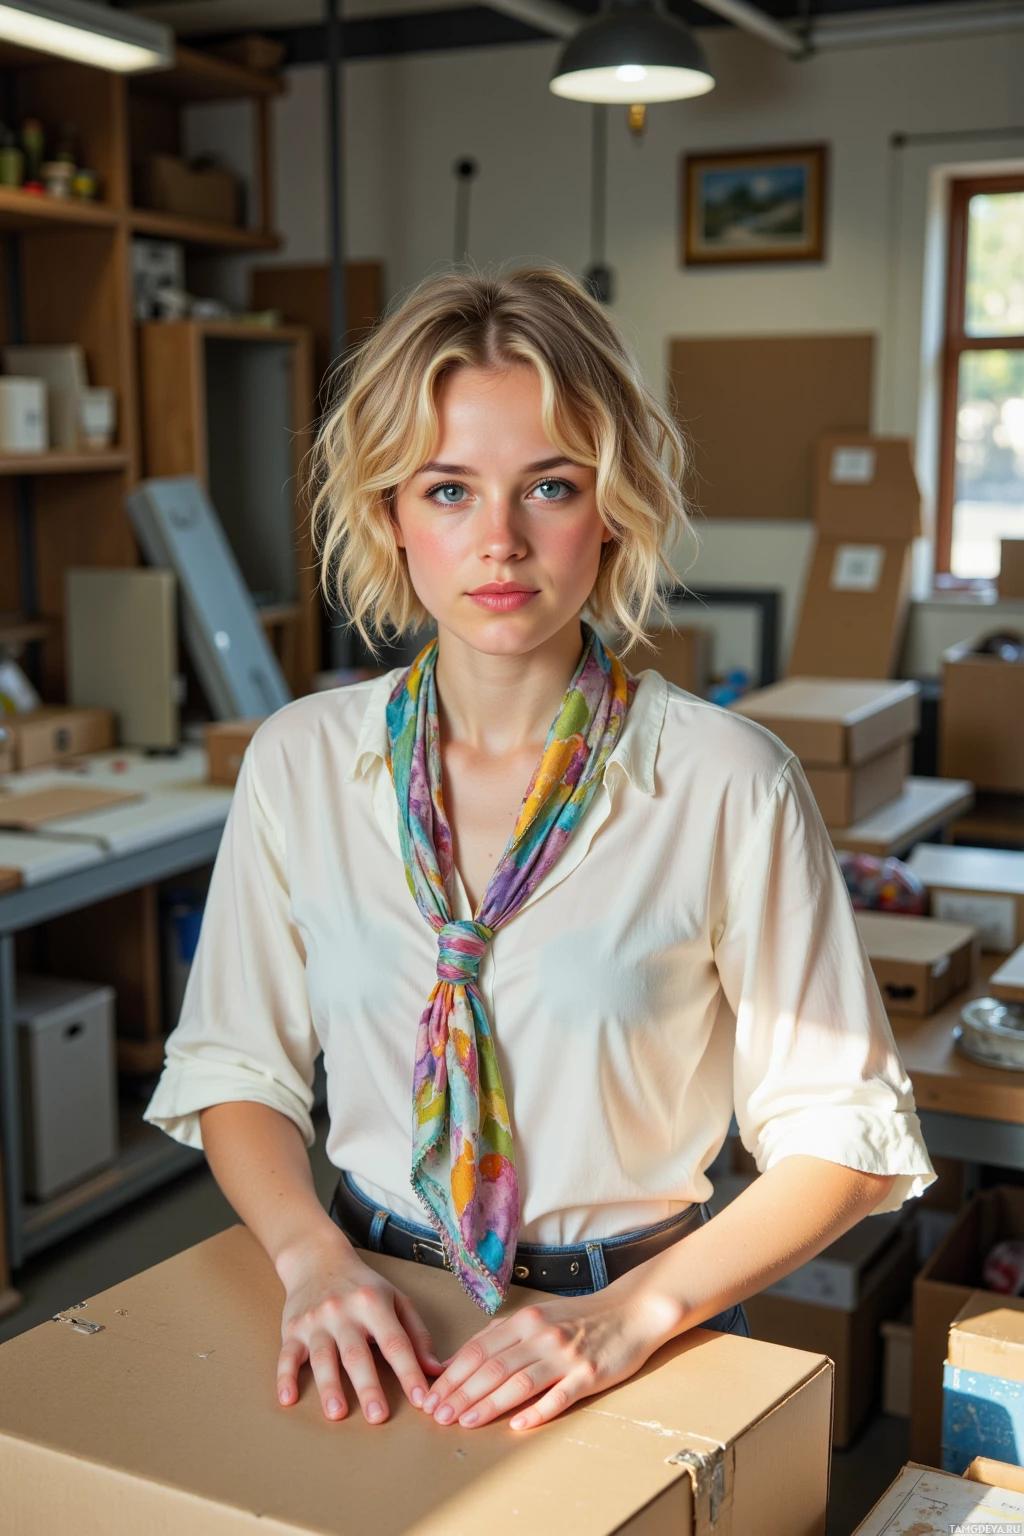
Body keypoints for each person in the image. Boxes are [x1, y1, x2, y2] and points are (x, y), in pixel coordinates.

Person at [143, 264, 936, 1437]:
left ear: (611, 508)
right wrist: (312, 1259)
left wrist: (629, 1315)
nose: (500, 542)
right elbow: (233, 1066)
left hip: (643, 1326)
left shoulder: (727, 780)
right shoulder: (300, 761)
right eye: (450, 489)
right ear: (389, 515)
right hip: (372, 1318)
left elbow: (843, 1135)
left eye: (549, 486)